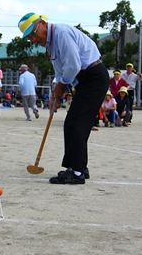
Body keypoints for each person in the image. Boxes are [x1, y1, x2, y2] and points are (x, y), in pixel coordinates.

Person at [18, 12, 109, 184]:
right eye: (29, 37)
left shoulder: (61, 33)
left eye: (33, 32)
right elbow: (61, 71)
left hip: (93, 77)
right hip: (83, 80)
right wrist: (56, 94)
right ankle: (78, 166)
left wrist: (62, 85)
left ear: (42, 23)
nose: (34, 38)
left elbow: (73, 65)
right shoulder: (51, 45)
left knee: (76, 124)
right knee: (74, 124)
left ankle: (76, 172)